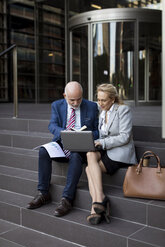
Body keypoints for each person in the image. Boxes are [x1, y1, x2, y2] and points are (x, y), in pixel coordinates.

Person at [27, 81, 99, 217]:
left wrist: (85, 135)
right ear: (65, 95)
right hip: (62, 141)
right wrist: (65, 132)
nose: (76, 103)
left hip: (81, 145)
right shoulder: (57, 105)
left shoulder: (92, 106)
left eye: (79, 99)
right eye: (72, 100)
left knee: (76, 155)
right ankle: (43, 193)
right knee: (43, 151)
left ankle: (67, 199)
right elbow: (52, 125)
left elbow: (97, 132)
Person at [85, 83, 137, 225]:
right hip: (107, 149)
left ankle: (95, 206)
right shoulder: (102, 112)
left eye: (103, 100)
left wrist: (103, 143)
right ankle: (100, 199)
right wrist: (94, 141)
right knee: (90, 154)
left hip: (121, 151)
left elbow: (125, 136)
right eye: (98, 99)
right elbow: (103, 135)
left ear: (112, 99)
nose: (100, 103)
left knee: (89, 169)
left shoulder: (123, 110)